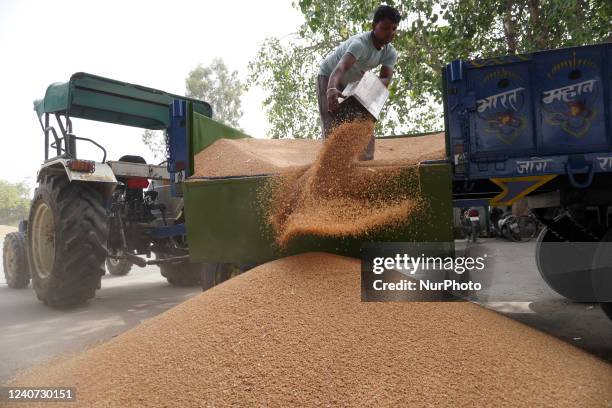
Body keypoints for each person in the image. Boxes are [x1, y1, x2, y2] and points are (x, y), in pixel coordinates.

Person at [316, 5, 401, 160]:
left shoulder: (390, 53)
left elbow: (386, 79)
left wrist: (368, 83)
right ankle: (329, 165)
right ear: (374, 26)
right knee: (332, 121)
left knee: (364, 117)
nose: (390, 33)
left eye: (394, 29)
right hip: (329, 77)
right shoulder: (360, 44)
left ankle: (365, 162)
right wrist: (331, 90)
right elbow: (340, 68)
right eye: (385, 28)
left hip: (354, 84)